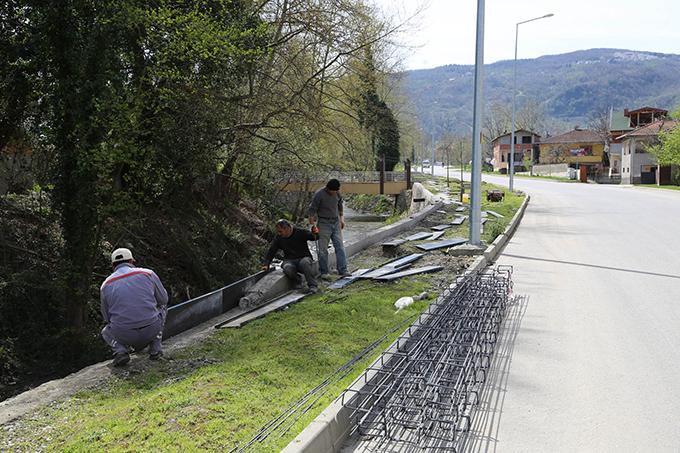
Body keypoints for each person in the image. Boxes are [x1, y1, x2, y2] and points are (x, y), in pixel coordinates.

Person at [100, 248, 169, 367]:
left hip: (125, 335)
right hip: (151, 329)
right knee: (163, 308)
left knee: (106, 331)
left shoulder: (105, 285)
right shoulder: (148, 274)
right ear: (132, 261)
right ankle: (156, 349)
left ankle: (120, 351)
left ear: (113, 265)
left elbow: (106, 317)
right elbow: (163, 300)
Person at [308, 178, 350, 280]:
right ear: (328, 188)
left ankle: (343, 270)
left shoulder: (337, 193)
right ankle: (324, 272)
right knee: (322, 249)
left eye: (336, 191)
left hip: (335, 222)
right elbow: (312, 211)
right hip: (323, 223)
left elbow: (340, 207)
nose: (334, 193)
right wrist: (313, 225)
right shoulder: (319, 194)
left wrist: (342, 220)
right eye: (333, 191)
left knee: (340, 246)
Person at [262, 219, 319, 293]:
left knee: (305, 263)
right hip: (289, 260)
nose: (279, 233)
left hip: (304, 257)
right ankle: (297, 280)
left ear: (287, 228)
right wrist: (266, 264)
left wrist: (315, 233)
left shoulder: (300, 232)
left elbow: (314, 237)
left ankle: (313, 286)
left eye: (280, 231)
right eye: (278, 232)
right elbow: (271, 251)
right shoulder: (279, 238)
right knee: (287, 267)